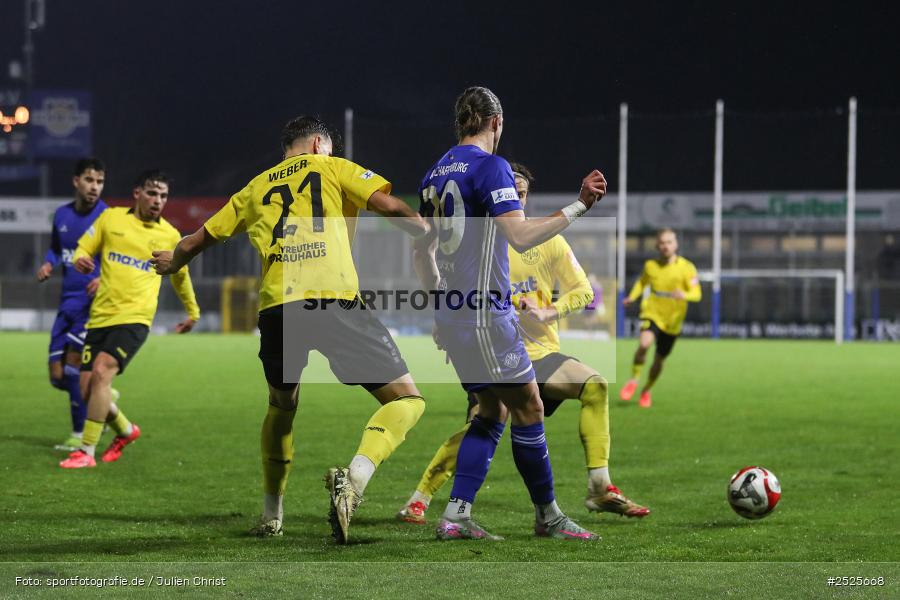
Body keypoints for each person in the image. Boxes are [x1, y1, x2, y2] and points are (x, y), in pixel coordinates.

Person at [151, 116, 430, 545]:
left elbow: (196, 240)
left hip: (278, 308)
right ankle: (353, 480)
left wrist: (174, 262)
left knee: (282, 405)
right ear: (320, 144)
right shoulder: (332, 167)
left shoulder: (254, 187)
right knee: (407, 399)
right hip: (332, 298)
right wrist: (423, 230)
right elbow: (389, 206)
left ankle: (270, 514)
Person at [398, 162, 648, 525]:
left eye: (522, 193)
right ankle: (420, 498)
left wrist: (550, 312)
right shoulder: (479, 242)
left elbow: (584, 293)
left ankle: (599, 486)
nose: (516, 197)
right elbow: (450, 284)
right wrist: (445, 321)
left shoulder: (547, 242)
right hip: (493, 351)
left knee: (594, 386)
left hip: (541, 355)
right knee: (482, 425)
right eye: (509, 191)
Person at [413, 86, 607, 541]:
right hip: (486, 317)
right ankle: (549, 517)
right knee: (528, 406)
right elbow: (519, 236)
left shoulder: (434, 174)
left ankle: (456, 516)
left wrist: (440, 308)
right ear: (496, 123)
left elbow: (421, 251)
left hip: (457, 316)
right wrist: (580, 206)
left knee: (490, 409)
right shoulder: (491, 166)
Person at [59, 169, 200, 469]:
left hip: (135, 319)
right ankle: (125, 430)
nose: (157, 200)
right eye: (152, 193)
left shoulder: (169, 235)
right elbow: (84, 245)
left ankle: (86, 451)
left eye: (163, 195)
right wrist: (79, 258)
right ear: (137, 193)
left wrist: (192, 311)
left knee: (101, 373)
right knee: (88, 389)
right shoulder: (111, 219)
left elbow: (180, 276)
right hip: (100, 317)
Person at [37, 158, 110, 451]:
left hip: (92, 305)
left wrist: (104, 278)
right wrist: (48, 263)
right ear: (76, 181)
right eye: (90, 180)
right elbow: (57, 248)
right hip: (66, 303)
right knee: (57, 376)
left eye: (100, 181)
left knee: (72, 367)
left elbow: (116, 257)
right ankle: (100, 398)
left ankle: (80, 433)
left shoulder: (108, 218)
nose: (95, 187)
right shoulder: (62, 215)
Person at [620, 228, 701, 408]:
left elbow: (697, 294)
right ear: (657, 245)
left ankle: (646, 389)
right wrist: (632, 297)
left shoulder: (687, 268)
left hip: (673, 322)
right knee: (644, 344)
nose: (666, 246)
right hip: (652, 313)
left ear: (676, 244)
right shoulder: (651, 266)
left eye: (669, 242)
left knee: (659, 360)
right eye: (662, 243)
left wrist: (685, 295)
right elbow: (642, 283)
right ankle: (634, 379)